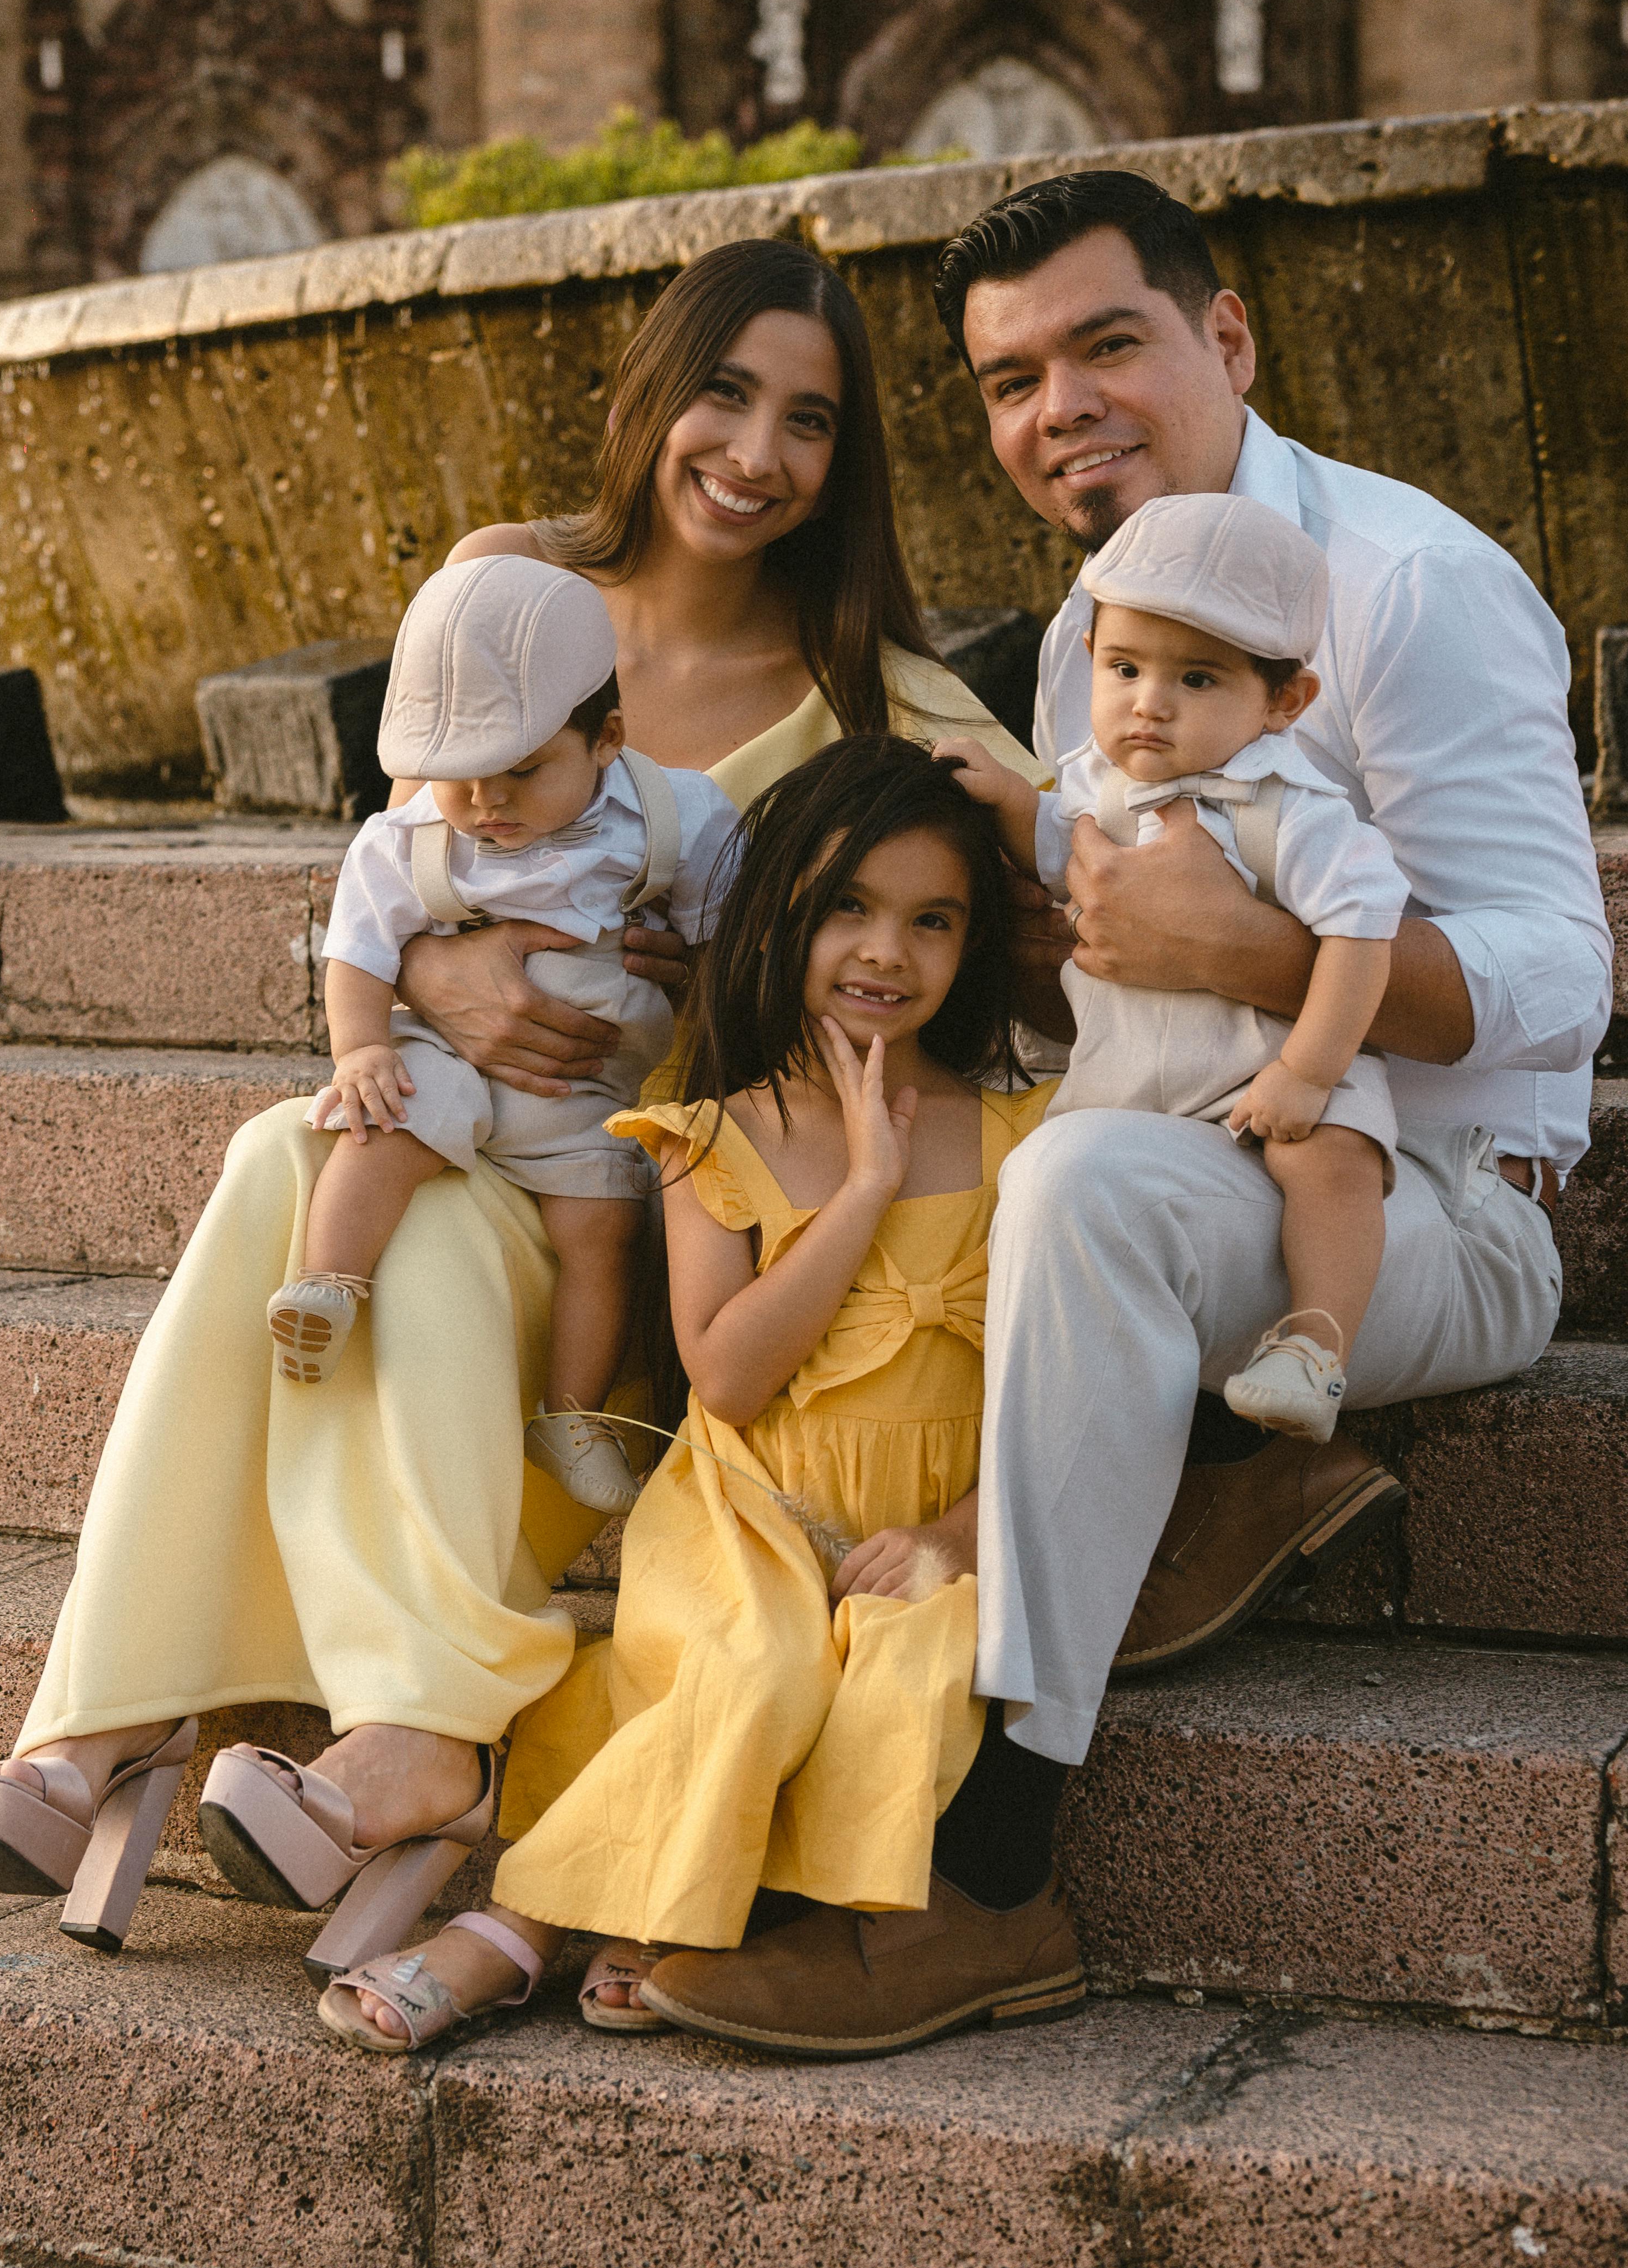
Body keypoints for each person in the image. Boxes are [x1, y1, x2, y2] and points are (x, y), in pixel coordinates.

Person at [0, 236, 1045, 1971]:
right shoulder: (501, 586)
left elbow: (1034, 927)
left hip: (651, 1226)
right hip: (465, 1136)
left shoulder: (881, 703)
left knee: (339, 1197)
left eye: (811, 421)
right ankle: (365, 1736)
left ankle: (137, 1719)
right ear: (650, 393)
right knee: (295, 1158)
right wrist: (452, 984)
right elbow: (398, 877)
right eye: (724, 392)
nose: (757, 453)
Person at [652, 165, 1612, 2057]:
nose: (1055, 408)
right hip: (1188, 1171)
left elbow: (1565, 975)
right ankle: (1197, 1459)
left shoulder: (1407, 582)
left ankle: (985, 1884)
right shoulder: (1089, 622)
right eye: (1008, 380)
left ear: (1225, 338)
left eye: (1106, 344)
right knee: (1011, 1155)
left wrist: (1257, 946)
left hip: (1432, 1200)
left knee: (1081, 1174)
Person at [315, 739, 1078, 2057]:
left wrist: (957, 1538)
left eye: (930, 920)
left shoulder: (1030, 1140)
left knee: (907, 1669)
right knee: (753, 1665)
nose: (882, 950)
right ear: (775, 911)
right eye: (845, 906)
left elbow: (1059, 1395)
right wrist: (860, 1196)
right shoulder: (707, 1137)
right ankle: (510, 1936)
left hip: (932, 1522)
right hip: (747, 1509)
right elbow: (724, 1375)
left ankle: (689, 1922)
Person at [270, 551, 737, 1519]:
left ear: (605, 736)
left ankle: (569, 1415)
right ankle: (329, 1283)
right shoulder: (410, 841)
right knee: (384, 1123)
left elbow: (730, 925)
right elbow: (357, 946)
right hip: (453, 1059)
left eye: (523, 771)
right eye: (460, 779)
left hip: (586, 1094)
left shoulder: (669, 818)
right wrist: (361, 1045)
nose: (488, 805)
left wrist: (709, 974)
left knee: (604, 1234)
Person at [941, 487, 1412, 1444]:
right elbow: (1056, 848)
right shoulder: (1093, 788)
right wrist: (1002, 799)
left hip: (1272, 1070)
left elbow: (1366, 936)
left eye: (1198, 681)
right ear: (1090, 663)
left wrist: (1309, 1070)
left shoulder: (1292, 810)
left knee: (1330, 1166)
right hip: (1135, 1087)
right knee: (1043, 1178)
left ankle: (1314, 1347)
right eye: (1125, 668)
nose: (1149, 705)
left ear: (1285, 700)